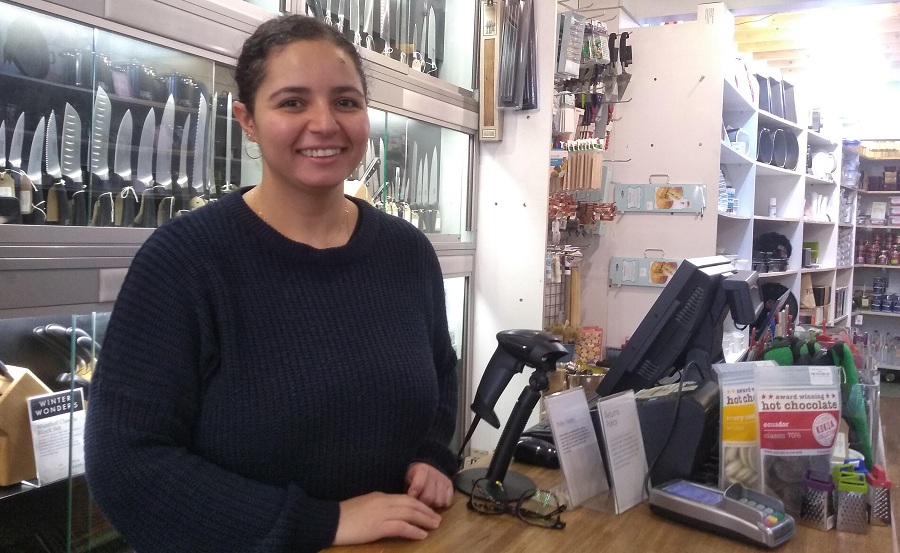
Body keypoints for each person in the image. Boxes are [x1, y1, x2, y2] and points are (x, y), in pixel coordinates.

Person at [85, 14, 459, 553]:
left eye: (346, 101)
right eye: (292, 102)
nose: (324, 123)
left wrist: (433, 455)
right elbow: (126, 465)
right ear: (248, 121)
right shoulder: (184, 262)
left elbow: (441, 369)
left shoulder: (407, 253)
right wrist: (323, 522)